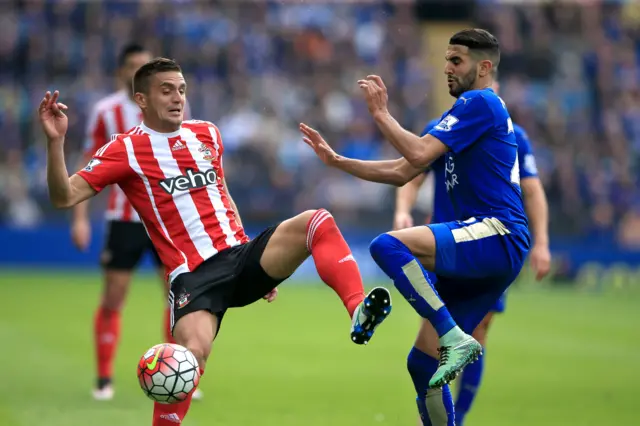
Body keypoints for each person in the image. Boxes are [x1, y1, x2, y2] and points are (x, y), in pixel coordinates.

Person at [38, 57, 391, 426]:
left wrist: (261, 265)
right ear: (141, 100)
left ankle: (357, 311)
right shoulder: (125, 149)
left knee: (318, 221)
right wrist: (56, 142)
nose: (177, 97)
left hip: (239, 255)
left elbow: (222, 196)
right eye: (166, 90)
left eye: (181, 89)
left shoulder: (206, 133)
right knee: (187, 361)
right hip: (192, 277)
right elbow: (63, 197)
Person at [301, 28, 530, 426]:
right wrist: (339, 162)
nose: (447, 68)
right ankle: (452, 343)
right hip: (489, 243)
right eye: (446, 59)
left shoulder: (481, 103)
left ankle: (454, 337)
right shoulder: (461, 116)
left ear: (485, 66)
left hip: (497, 232)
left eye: (456, 60)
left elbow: (419, 151)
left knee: (388, 246)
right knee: (422, 365)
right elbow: (403, 171)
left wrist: (380, 115)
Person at [394, 81, 551, 425]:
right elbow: (412, 176)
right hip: (445, 245)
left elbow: (533, 190)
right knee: (433, 343)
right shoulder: (440, 130)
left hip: (487, 245)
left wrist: (541, 242)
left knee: (476, 333)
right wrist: (402, 210)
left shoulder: (513, 135)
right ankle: (439, 417)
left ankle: (455, 418)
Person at [70, 43, 197, 401]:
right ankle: (104, 378)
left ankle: (182, 374)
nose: (136, 70)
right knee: (113, 297)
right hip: (124, 219)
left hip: (168, 220)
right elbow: (88, 164)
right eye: (132, 66)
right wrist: (80, 218)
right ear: (123, 73)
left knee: (179, 301)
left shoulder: (174, 107)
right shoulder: (105, 111)